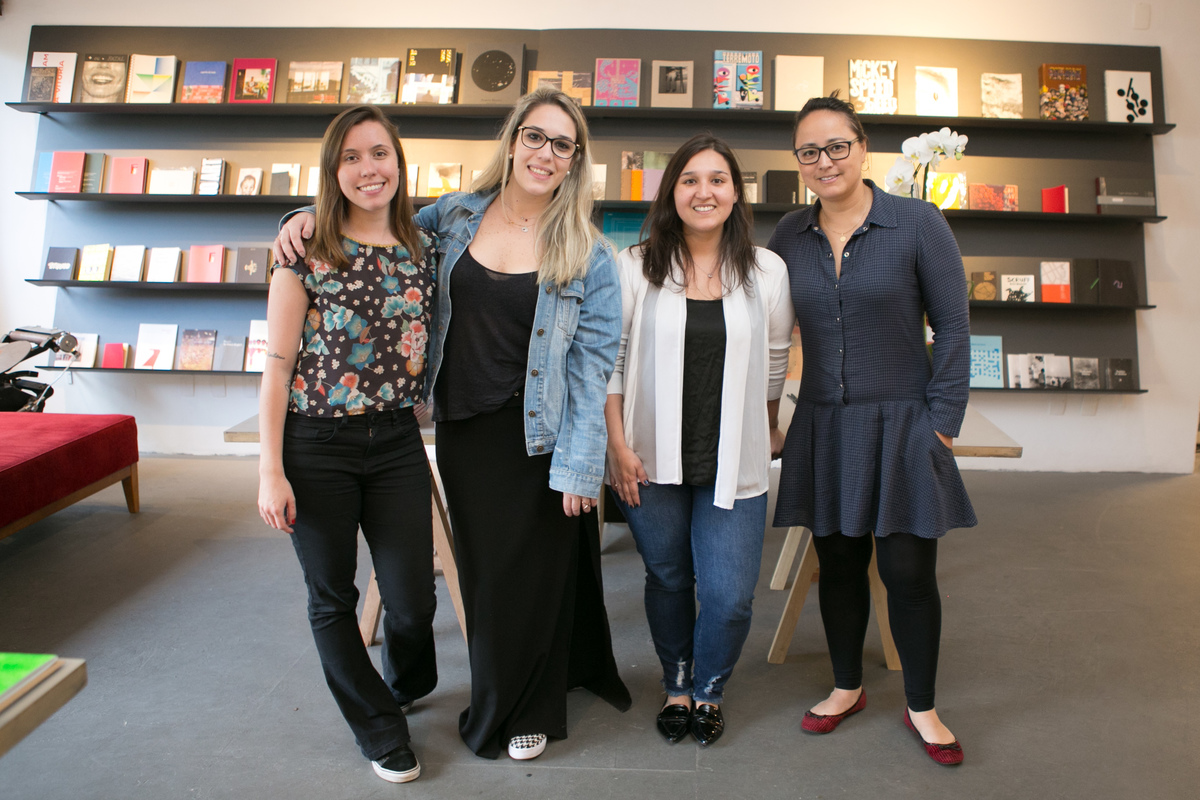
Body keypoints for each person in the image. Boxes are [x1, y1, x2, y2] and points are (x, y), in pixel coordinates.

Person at [274, 87, 631, 762]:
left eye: (562, 144)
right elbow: (371, 218)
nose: (545, 153)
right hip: (466, 433)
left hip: (541, 436)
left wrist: (581, 464)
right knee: (488, 578)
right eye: (535, 136)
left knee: (532, 577)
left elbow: (592, 368)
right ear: (513, 140)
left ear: (574, 159)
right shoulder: (454, 215)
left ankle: (526, 710)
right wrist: (302, 216)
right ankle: (505, 689)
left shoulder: (589, 253)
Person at [768, 91, 976, 766]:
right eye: (809, 151)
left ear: (862, 148)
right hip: (825, 425)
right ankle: (846, 687)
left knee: (908, 571)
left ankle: (922, 706)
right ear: (799, 160)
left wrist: (942, 425)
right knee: (838, 566)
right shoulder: (788, 236)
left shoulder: (916, 222)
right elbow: (769, 332)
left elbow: (954, 327)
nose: (824, 161)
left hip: (905, 422)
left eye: (837, 146)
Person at [257, 105, 438, 785]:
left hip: (396, 440)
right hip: (315, 444)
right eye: (351, 157)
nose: (369, 169)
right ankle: (380, 730)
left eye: (379, 153)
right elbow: (276, 367)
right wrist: (270, 470)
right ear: (332, 171)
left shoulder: (426, 248)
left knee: (412, 599)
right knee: (332, 596)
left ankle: (406, 683)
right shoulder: (303, 254)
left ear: (399, 161)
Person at [605, 134, 794, 746]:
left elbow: (775, 359)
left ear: (736, 192)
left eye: (717, 179)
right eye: (689, 179)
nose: (703, 191)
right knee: (667, 577)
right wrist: (616, 446)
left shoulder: (766, 270)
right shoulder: (634, 266)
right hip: (648, 455)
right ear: (672, 192)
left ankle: (711, 687)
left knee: (730, 595)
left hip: (733, 458)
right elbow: (612, 361)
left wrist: (769, 425)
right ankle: (679, 685)